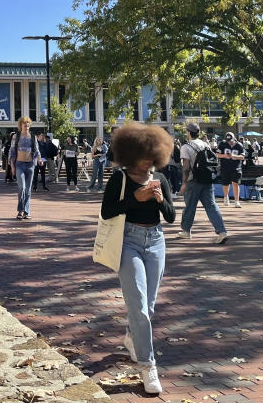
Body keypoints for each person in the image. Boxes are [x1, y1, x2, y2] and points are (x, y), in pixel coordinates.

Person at [100, 122, 175, 396]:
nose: (147, 161)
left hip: (156, 242)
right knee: (140, 306)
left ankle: (132, 336)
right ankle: (147, 365)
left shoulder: (161, 180)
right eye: (142, 154)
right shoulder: (119, 179)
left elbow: (170, 216)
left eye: (151, 155)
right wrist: (135, 197)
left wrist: (157, 199)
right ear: (130, 153)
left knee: (149, 307)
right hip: (127, 242)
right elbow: (108, 211)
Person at [177, 122, 228, 244]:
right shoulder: (205, 144)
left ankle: (186, 231)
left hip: (193, 180)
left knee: (190, 206)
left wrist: (184, 183)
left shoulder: (186, 147)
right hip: (207, 179)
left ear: (188, 132)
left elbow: (186, 166)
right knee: (211, 205)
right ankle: (221, 231)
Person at [7, 116, 41, 220]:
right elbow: (12, 153)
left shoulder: (33, 137)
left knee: (28, 190)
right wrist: (12, 167)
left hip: (30, 165)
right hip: (19, 165)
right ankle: (20, 210)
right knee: (22, 188)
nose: (26, 124)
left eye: (28, 123)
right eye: (24, 123)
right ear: (20, 125)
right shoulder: (15, 137)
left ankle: (27, 212)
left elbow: (37, 151)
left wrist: (39, 159)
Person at [218, 132, 244, 208]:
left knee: (235, 183)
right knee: (225, 184)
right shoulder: (222, 144)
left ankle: (237, 201)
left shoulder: (239, 145)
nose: (230, 142)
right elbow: (217, 154)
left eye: (231, 140)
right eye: (228, 140)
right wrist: (224, 155)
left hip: (236, 167)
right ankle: (226, 198)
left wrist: (234, 156)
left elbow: (242, 157)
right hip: (225, 167)